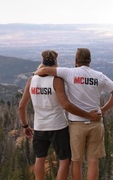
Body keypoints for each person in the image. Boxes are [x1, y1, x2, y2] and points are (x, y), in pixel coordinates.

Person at [34, 48, 113, 180]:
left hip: (77, 124)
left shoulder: (69, 73)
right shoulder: (99, 76)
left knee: (77, 162)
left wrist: (36, 73)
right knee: (93, 161)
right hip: (96, 123)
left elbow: (45, 70)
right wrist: (102, 110)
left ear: (75, 60)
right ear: (90, 61)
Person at [18, 49, 101, 180]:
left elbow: (21, 106)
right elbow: (66, 105)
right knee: (64, 160)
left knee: (39, 159)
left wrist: (25, 126)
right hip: (58, 126)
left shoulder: (32, 80)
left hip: (40, 126)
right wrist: (88, 115)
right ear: (56, 61)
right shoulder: (56, 80)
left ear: (42, 61)